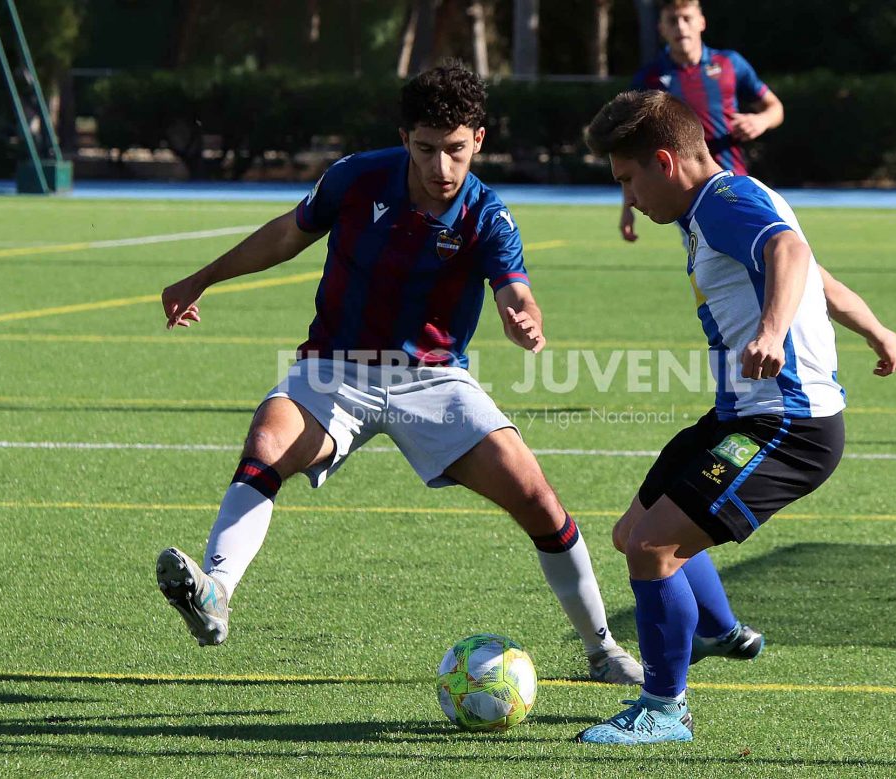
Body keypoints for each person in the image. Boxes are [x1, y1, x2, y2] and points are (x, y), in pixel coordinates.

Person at [153, 62, 643, 686]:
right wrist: (202, 279)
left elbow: (515, 290)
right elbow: (285, 236)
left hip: (434, 380)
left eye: (456, 149)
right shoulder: (357, 177)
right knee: (267, 442)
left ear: (479, 140)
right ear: (405, 137)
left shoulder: (488, 216)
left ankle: (603, 651)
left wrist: (525, 319)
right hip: (335, 369)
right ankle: (215, 592)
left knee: (539, 502)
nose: (442, 166)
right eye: (427, 149)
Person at [576, 90, 896, 744]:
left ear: (665, 162)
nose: (629, 198)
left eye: (628, 180)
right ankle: (718, 631)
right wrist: (876, 328)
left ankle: (664, 709)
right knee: (633, 531)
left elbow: (791, 252)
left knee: (652, 547)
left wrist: (773, 331)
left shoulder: (724, 202)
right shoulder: (717, 205)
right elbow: (817, 276)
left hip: (787, 426)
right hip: (740, 413)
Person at [619, 0, 784, 243]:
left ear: (701, 22)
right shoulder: (649, 78)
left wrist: (761, 120)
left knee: (765, 245)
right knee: (717, 260)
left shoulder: (730, 63)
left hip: (731, 181)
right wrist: (628, 206)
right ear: (661, 29)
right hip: (686, 194)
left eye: (686, 18)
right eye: (672, 21)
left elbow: (775, 108)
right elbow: (630, 146)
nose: (680, 27)